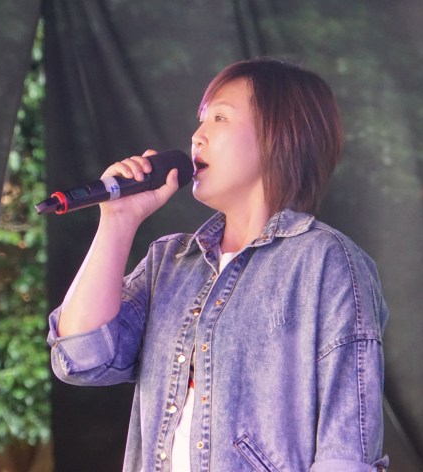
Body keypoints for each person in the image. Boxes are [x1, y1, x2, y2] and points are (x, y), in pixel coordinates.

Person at [47, 58, 390, 472]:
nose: (197, 136)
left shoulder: (326, 262)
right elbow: (79, 358)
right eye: (201, 121)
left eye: (220, 118)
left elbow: (346, 453)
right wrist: (117, 222)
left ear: (279, 135)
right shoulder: (171, 262)